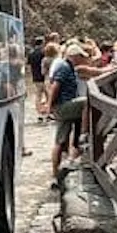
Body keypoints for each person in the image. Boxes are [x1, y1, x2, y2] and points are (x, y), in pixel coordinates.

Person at [47, 41, 87, 188]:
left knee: (61, 140)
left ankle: (56, 175)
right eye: (80, 57)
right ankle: (84, 133)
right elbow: (55, 86)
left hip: (65, 106)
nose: (81, 59)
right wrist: (50, 107)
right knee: (86, 102)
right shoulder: (64, 67)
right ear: (74, 56)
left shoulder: (70, 68)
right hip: (63, 107)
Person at [28, 35, 48, 120]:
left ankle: (39, 112)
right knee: (48, 95)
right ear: (42, 43)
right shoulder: (43, 53)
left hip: (35, 76)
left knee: (38, 95)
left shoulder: (31, 53)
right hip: (44, 76)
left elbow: (29, 66)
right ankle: (47, 112)